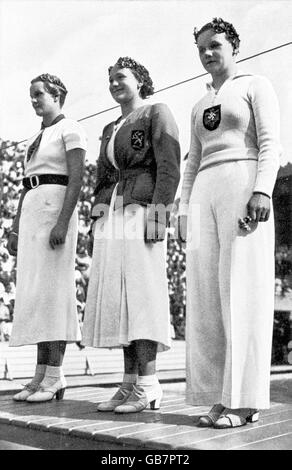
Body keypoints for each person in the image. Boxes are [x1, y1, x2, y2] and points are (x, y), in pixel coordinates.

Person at [179, 18, 281, 428]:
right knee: (206, 295)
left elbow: (271, 142)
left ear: (235, 47)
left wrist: (263, 190)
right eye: (201, 47)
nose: (207, 53)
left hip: (243, 183)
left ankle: (245, 399)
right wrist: (184, 211)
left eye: (215, 45)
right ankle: (218, 396)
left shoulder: (256, 85)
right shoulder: (199, 103)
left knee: (241, 289)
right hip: (205, 191)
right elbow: (191, 164)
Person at [82, 56, 180, 413]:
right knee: (122, 301)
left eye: (120, 77)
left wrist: (159, 215)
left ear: (140, 80)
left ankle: (150, 385)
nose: (113, 83)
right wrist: (96, 222)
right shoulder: (110, 128)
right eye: (109, 79)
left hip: (142, 211)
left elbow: (169, 166)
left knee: (142, 297)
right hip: (113, 218)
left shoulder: (156, 112)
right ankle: (129, 385)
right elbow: (102, 181)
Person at [7, 73, 87, 402]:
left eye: (39, 94)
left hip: (56, 211)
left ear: (56, 95)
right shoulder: (37, 138)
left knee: (54, 294)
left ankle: (54, 376)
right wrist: (14, 226)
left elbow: (77, 177)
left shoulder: (71, 128)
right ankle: (41, 375)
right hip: (32, 212)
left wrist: (63, 222)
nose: (34, 100)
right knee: (38, 295)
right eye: (32, 95)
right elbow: (27, 184)